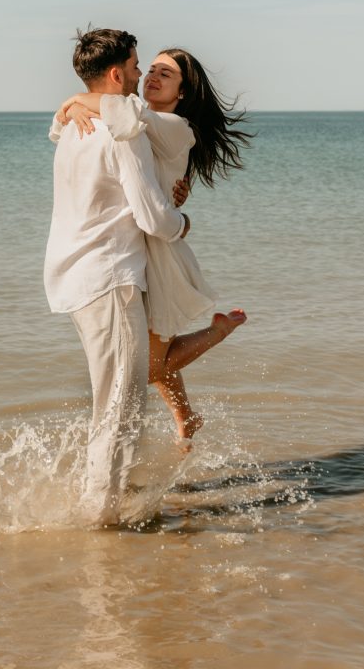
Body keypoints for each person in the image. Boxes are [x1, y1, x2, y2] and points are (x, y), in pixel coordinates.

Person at [56, 47, 252, 446]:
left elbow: (122, 113)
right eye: (153, 70)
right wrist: (72, 109)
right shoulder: (139, 120)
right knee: (150, 344)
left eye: (167, 74)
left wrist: (75, 99)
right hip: (136, 246)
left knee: (143, 367)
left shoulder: (176, 125)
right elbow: (73, 126)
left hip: (160, 252)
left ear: (183, 92)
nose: (153, 77)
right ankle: (185, 417)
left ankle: (218, 330)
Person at [44, 29, 191, 526]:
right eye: (133, 67)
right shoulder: (119, 133)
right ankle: (100, 523)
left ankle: (105, 502)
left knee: (112, 402)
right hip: (110, 279)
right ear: (114, 74)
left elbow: (63, 120)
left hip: (75, 279)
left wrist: (72, 104)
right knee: (120, 409)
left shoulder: (70, 128)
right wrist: (183, 222)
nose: (138, 75)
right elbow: (153, 217)